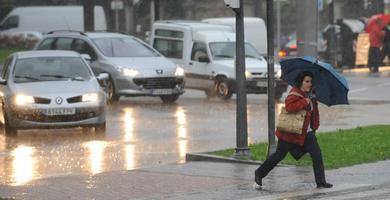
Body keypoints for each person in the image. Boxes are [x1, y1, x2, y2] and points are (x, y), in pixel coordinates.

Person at [254, 71, 333, 189]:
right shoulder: (295, 94)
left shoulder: (311, 95)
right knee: (279, 156)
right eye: (307, 81)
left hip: (307, 133)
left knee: (317, 156)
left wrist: (315, 126)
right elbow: (290, 107)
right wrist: (304, 102)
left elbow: (314, 113)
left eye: (311, 82)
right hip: (290, 133)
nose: (309, 84)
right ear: (301, 82)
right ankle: (259, 173)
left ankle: (321, 182)